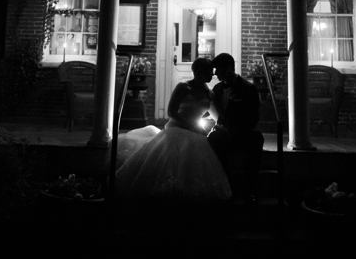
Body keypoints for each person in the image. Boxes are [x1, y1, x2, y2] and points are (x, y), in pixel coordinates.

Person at [112, 57, 231, 203]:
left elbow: (218, 116)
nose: (212, 75)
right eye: (209, 71)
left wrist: (219, 127)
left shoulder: (209, 93)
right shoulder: (183, 87)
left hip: (196, 133)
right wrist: (192, 126)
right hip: (177, 128)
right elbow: (171, 112)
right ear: (199, 71)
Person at [207, 52, 265, 203]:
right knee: (212, 138)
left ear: (227, 68)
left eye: (217, 70)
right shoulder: (217, 89)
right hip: (222, 134)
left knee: (256, 137)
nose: (215, 74)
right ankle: (228, 184)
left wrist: (234, 128)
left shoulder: (248, 88)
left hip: (241, 132)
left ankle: (249, 188)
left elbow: (253, 118)